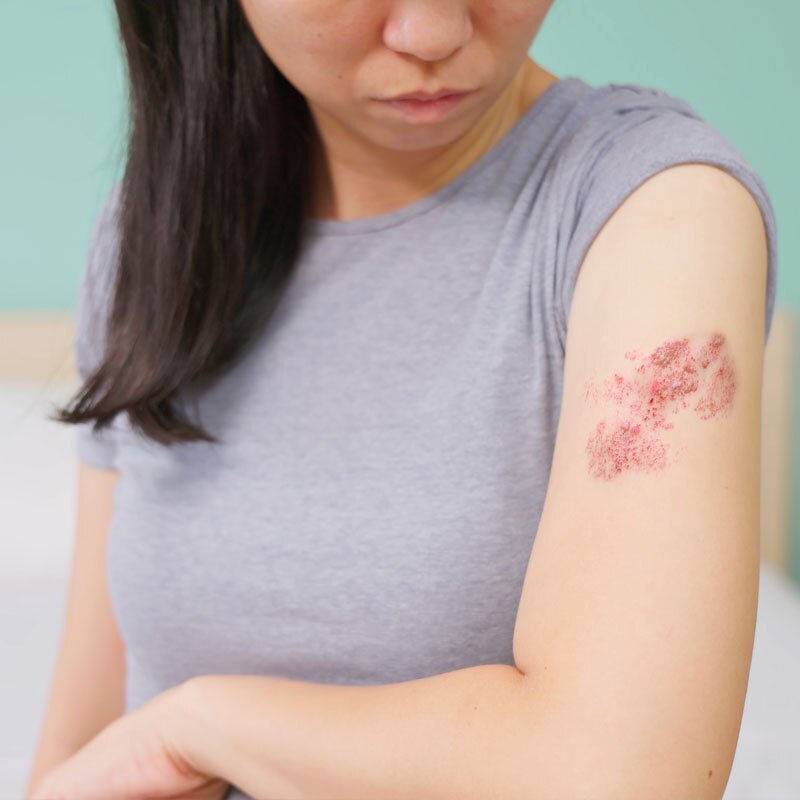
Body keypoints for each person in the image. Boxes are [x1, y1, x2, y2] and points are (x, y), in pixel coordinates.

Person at [30, 1, 777, 798]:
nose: (432, 33)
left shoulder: (656, 212)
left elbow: (619, 779)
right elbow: (80, 744)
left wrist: (197, 729)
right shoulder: (154, 232)